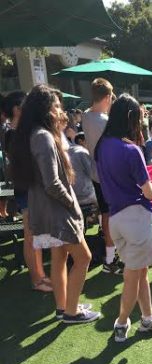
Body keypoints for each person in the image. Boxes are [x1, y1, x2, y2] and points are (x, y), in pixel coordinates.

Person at [9, 85, 99, 323]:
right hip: (57, 211)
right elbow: (52, 183)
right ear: (45, 109)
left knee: (59, 257)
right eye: (56, 105)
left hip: (50, 210)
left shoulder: (38, 134)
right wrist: (72, 203)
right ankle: (71, 311)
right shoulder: (43, 137)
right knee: (83, 258)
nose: (61, 110)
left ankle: (64, 307)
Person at [95, 94, 152, 341]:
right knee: (133, 275)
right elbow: (149, 191)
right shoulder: (131, 149)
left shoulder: (102, 145)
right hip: (136, 218)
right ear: (131, 118)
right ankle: (121, 323)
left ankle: (148, 317)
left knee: (139, 273)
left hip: (116, 219)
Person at [2, 91, 50, 292]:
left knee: (33, 235)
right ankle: (37, 279)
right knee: (31, 235)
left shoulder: (15, 132)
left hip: (26, 188)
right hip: (25, 190)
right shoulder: (14, 133)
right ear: (16, 109)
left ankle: (40, 276)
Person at [82, 78, 123, 274]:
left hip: (96, 174)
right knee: (111, 216)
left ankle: (110, 256)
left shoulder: (86, 115)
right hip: (108, 175)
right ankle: (110, 259)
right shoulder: (105, 121)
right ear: (107, 97)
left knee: (106, 215)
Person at [68, 133, 97, 208]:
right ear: (81, 141)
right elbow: (94, 175)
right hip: (86, 195)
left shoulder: (67, 151)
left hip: (71, 196)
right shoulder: (82, 152)